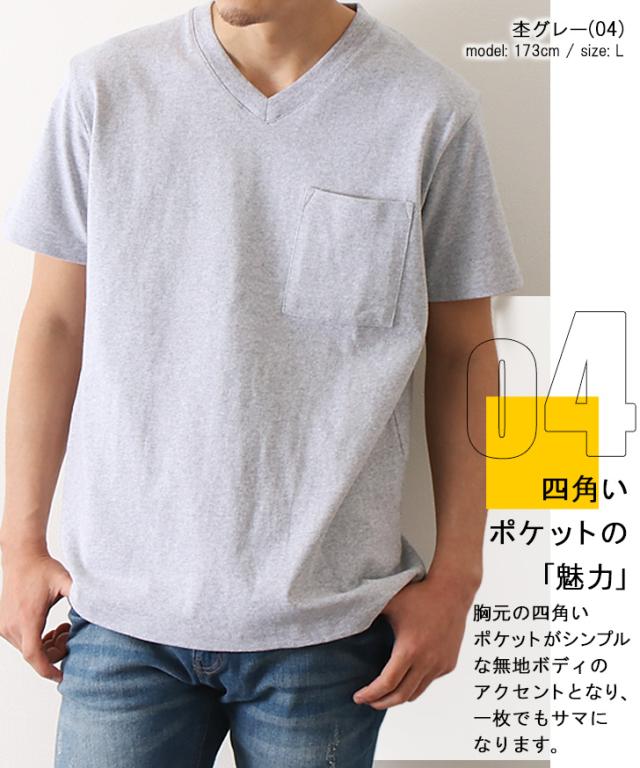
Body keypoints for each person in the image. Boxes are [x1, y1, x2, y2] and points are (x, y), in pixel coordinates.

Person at [0, 1, 524, 766]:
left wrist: (459, 576)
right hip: (119, 617)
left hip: (328, 628)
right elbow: (53, 324)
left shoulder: (428, 109)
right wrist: (18, 544)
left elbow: (465, 356)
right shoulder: (106, 87)